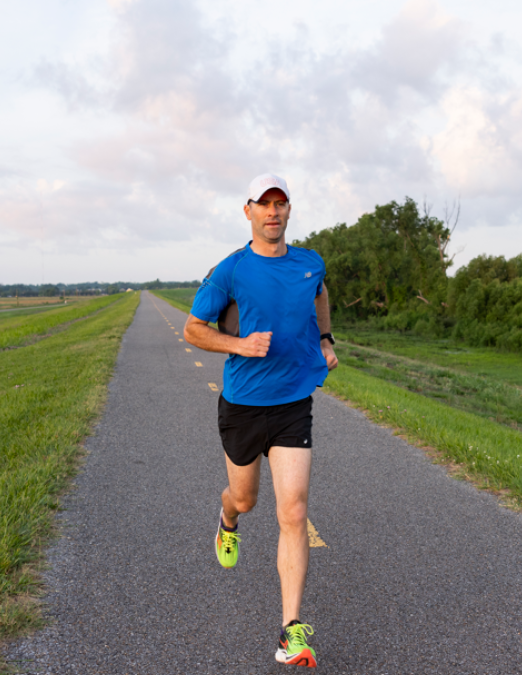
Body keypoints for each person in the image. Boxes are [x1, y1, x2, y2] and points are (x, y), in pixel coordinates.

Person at [185, 173, 339, 668]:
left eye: (281, 203)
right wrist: (238, 345)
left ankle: (290, 630)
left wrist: (327, 339)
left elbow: (320, 294)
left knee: (293, 512)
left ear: (290, 211)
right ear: (247, 211)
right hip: (243, 405)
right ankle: (227, 518)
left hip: (294, 402)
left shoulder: (308, 263)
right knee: (247, 499)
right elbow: (193, 328)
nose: (273, 212)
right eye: (263, 204)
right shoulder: (230, 270)